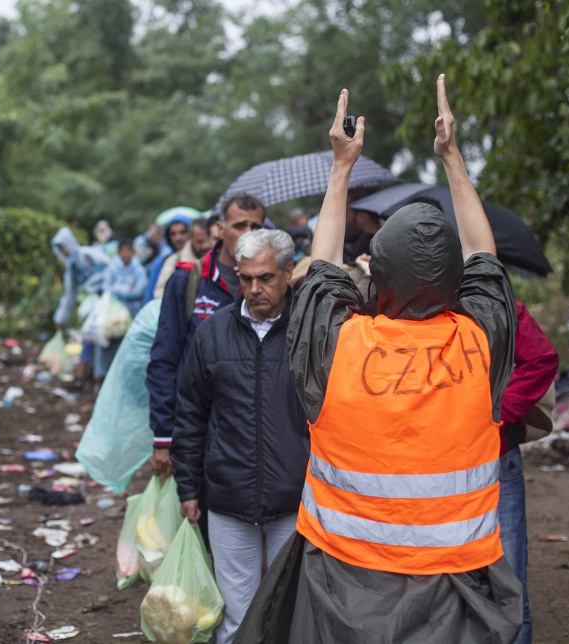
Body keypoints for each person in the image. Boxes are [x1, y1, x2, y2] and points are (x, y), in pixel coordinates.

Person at [236, 78, 523, 642]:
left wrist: (341, 166)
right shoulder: (478, 343)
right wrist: (452, 158)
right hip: (455, 593)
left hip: (340, 590)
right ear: (454, 282)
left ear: (378, 275)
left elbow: (319, 272)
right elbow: (486, 258)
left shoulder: (339, 344)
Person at [172, 229, 309, 644]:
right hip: (228, 499)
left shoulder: (308, 333)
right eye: (245, 278)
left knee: (291, 613)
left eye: (265, 278)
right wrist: (188, 489)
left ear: (288, 272)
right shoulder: (212, 334)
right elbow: (191, 413)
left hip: (295, 498)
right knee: (235, 616)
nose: (254, 289)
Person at [146, 193, 265, 480]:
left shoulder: (270, 287)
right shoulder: (189, 280)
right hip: (197, 428)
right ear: (220, 229)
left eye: (256, 227)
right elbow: (164, 358)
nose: (248, 234)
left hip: (250, 429)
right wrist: (163, 436)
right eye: (239, 226)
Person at [497, 301, 559, 644]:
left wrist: (496, 417)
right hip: (445, 462)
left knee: (507, 584)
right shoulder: (493, 294)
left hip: (494, 454)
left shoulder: (495, 300)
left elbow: (540, 360)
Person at [87, 238, 147, 383]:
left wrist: (117, 287)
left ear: (132, 252)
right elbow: (107, 287)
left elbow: (139, 290)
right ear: (119, 252)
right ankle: (100, 376)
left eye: (128, 251)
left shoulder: (139, 270)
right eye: (123, 251)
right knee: (106, 341)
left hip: (130, 314)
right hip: (111, 314)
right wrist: (127, 288)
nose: (126, 254)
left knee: (125, 345)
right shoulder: (112, 268)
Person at [147, 214, 194, 301]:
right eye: (173, 234)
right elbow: (151, 296)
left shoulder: (200, 259)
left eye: (182, 232)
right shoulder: (162, 262)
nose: (178, 238)